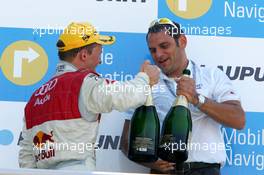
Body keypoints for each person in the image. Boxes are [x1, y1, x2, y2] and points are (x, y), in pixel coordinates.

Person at [18, 22, 160, 171]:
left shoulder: (35, 98)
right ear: (84, 55)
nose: (100, 61)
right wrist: (145, 78)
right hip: (76, 170)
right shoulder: (83, 82)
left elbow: (26, 156)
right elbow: (126, 96)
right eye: (99, 54)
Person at [122, 18, 245, 175]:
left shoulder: (211, 76)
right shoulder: (145, 82)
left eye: (164, 46)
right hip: (163, 172)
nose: (158, 54)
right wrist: (151, 161)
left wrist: (197, 99)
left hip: (204, 170)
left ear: (182, 41)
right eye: (152, 50)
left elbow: (238, 119)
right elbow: (126, 141)